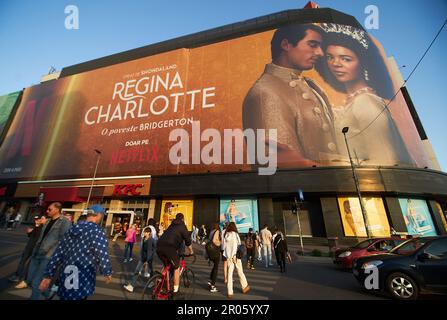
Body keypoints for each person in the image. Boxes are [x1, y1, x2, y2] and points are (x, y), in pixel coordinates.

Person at [315, 23, 413, 166]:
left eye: (346, 59)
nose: (336, 64)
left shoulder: (365, 102)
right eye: (330, 57)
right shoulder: (352, 102)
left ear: (363, 63)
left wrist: (329, 162)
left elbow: (386, 161)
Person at [243, 23, 339, 167]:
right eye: (313, 45)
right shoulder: (265, 92)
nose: (320, 53)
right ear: (286, 45)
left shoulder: (311, 85)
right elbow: (279, 167)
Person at [39, 204, 112, 300]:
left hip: (65, 273)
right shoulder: (97, 231)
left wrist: (48, 274)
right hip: (82, 276)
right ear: (99, 215)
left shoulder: (73, 228)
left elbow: (59, 252)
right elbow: (102, 252)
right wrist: (107, 271)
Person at [27, 202, 72, 300]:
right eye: (47, 209)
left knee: (36, 282)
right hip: (37, 252)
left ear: (57, 210)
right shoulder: (47, 221)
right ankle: (48, 293)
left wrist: (55, 254)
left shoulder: (65, 222)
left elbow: (63, 240)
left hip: (48, 256)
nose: (47, 211)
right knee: (29, 280)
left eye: (49, 209)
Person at [156, 213, 193, 295]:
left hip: (159, 246)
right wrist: (191, 251)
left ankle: (159, 284)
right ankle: (176, 290)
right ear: (182, 219)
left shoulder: (171, 225)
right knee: (177, 267)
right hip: (169, 247)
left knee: (166, 266)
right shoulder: (182, 226)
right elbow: (188, 240)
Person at [9, 215, 47, 288]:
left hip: (36, 248)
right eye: (35, 219)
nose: (36, 220)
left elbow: (39, 236)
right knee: (22, 261)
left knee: (30, 264)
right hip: (29, 247)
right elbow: (32, 236)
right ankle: (17, 275)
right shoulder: (36, 226)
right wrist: (29, 232)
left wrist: (37, 227)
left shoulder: (42, 227)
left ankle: (27, 280)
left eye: (38, 219)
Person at [123, 227, 156, 293]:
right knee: (137, 270)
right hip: (143, 258)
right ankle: (132, 286)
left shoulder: (150, 240)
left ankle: (152, 282)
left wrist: (147, 260)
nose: (144, 233)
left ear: (149, 233)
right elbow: (143, 249)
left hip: (148, 258)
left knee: (150, 271)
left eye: (145, 232)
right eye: (144, 232)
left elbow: (150, 250)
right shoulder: (144, 238)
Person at [222, 222, 250, 299]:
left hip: (229, 257)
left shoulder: (226, 234)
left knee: (230, 274)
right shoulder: (235, 234)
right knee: (240, 272)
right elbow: (238, 244)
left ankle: (230, 292)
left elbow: (224, 247)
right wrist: (235, 254)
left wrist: (228, 255)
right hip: (236, 256)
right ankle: (244, 287)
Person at [206, 223, 222, 293]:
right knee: (216, 268)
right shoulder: (217, 231)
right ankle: (213, 285)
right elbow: (214, 241)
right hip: (215, 251)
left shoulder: (211, 231)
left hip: (210, 251)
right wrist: (220, 242)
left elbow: (210, 240)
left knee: (214, 267)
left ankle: (210, 280)